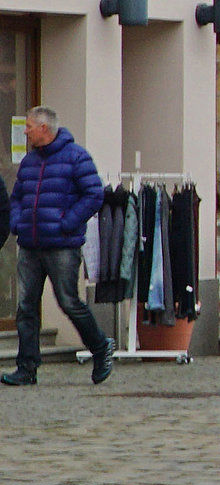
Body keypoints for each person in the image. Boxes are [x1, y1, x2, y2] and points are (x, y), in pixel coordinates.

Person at [2, 107, 110, 387]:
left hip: (63, 245)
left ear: (44, 129)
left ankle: (100, 348)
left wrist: (67, 223)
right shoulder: (29, 162)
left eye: (28, 127)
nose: (24, 131)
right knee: (26, 307)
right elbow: (17, 197)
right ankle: (27, 368)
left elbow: (94, 194)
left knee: (68, 302)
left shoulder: (76, 157)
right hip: (30, 244)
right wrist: (18, 222)